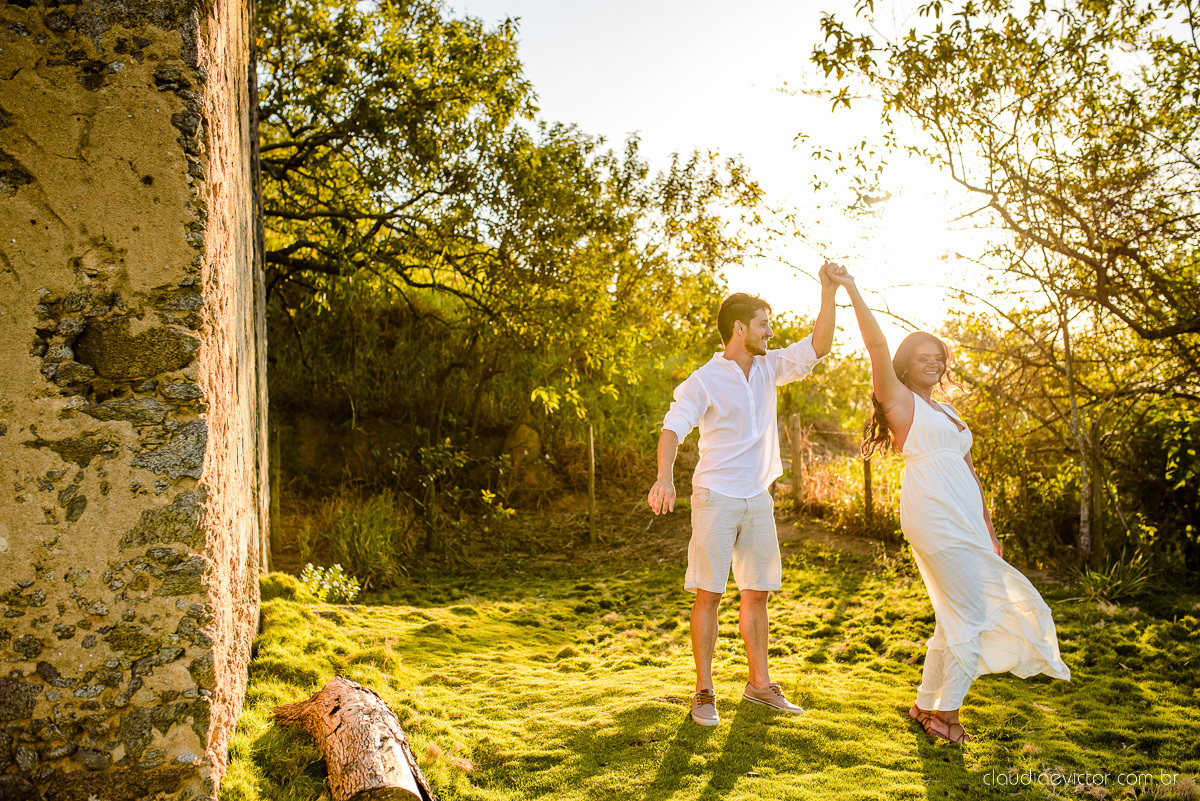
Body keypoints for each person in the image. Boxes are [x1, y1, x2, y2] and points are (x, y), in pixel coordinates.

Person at [827, 263, 1070, 744]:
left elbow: (972, 475)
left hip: (966, 517)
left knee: (955, 613)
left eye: (939, 357)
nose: (934, 363)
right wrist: (851, 289)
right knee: (971, 612)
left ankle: (926, 705)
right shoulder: (899, 401)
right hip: (933, 513)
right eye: (923, 357)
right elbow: (876, 346)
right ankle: (947, 716)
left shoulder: (949, 410)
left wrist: (990, 530)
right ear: (905, 365)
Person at [648, 265, 838, 726]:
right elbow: (673, 427)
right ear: (739, 328)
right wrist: (664, 477)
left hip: (758, 499)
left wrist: (828, 291)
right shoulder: (705, 379)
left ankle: (759, 685)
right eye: (763, 324)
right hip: (715, 497)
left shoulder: (771, 367)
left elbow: (819, 345)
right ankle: (704, 692)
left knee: (757, 593)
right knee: (709, 594)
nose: (770, 332)